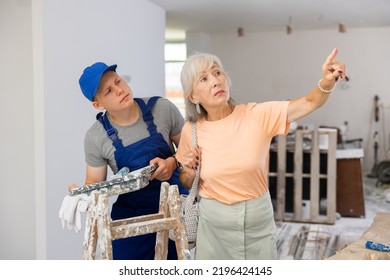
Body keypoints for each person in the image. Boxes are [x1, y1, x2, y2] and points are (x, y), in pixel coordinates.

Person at [175, 48, 348, 260]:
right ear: (193, 96)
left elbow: (309, 103)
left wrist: (327, 82)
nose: (215, 81)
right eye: (204, 78)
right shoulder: (190, 131)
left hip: (258, 225)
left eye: (217, 72)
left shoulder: (257, 115)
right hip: (213, 230)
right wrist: (189, 173)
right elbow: (185, 178)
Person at [68, 62, 188, 260]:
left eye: (118, 81)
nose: (120, 90)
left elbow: (191, 153)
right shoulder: (96, 137)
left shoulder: (161, 109)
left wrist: (172, 163)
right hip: (131, 217)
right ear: (98, 105)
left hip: (173, 207)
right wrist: (81, 194)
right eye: (109, 91)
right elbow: (94, 184)